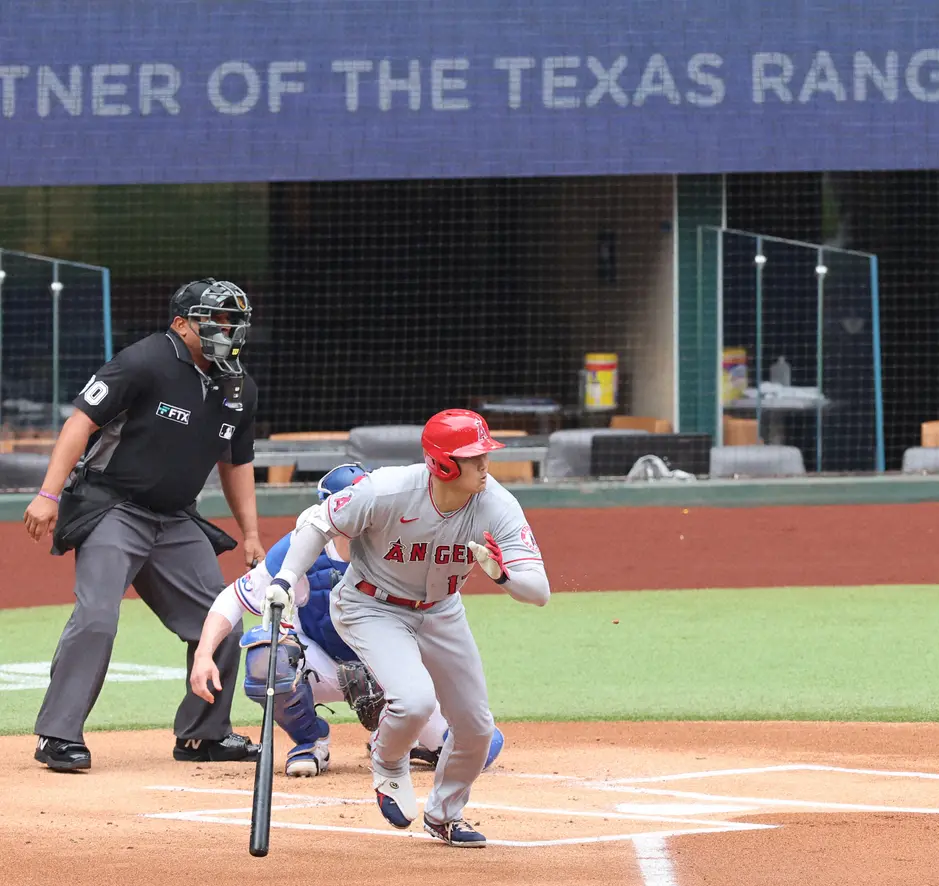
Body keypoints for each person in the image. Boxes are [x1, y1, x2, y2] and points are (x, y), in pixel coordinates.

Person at [264, 409, 550, 847]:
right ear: (443, 464)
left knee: (475, 728)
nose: (485, 465)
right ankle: (389, 761)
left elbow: (539, 591)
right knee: (414, 700)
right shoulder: (386, 489)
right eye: (474, 457)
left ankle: (444, 815)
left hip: (441, 611)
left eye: (484, 454)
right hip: (370, 606)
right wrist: (283, 580)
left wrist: (503, 575)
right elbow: (319, 522)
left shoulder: (497, 503)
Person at [23, 278, 266, 771]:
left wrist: (253, 533)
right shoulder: (145, 360)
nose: (228, 328)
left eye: (233, 319)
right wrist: (48, 494)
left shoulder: (239, 385)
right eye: (215, 319)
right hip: (114, 506)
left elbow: (236, 463)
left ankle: (203, 734)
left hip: (176, 518)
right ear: (182, 324)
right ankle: (58, 736)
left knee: (218, 619)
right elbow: (80, 423)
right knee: (97, 618)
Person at [188, 462, 505, 777]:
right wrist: (203, 654)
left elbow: (438, 622)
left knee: (480, 750)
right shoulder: (300, 548)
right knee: (266, 658)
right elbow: (233, 598)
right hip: (320, 665)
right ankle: (311, 741)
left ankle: (400, 737)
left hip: (389, 668)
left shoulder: (406, 545)